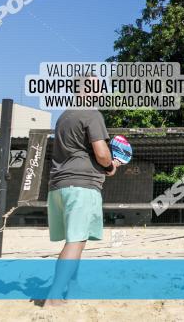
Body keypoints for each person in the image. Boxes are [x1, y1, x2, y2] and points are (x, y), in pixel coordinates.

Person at [45, 76, 122, 306]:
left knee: (75, 240)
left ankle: (73, 286)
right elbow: (101, 153)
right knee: (75, 241)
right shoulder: (92, 114)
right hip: (81, 186)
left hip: (58, 187)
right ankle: (54, 296)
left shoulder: (64, 116)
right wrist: (110, 166)